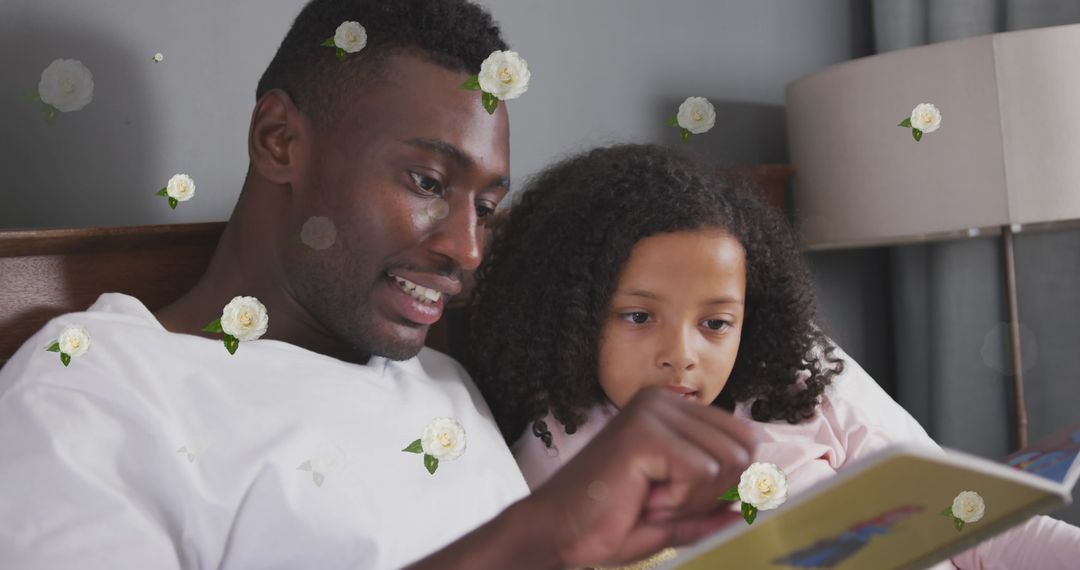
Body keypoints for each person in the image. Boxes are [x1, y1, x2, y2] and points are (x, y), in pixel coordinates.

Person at [0, 2, 754, 569]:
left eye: (486, 209)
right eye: (428, 181)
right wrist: (532, 539)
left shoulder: (442, 379)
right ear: (279, 140)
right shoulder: (91, 388)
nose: (466, 249)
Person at [467, 143, 1080, 569]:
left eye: (715, 323)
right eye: (637, 317)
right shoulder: (556, 467)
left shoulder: (799, 382)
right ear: (568, 315)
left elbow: (968, 527)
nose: (681, 357)